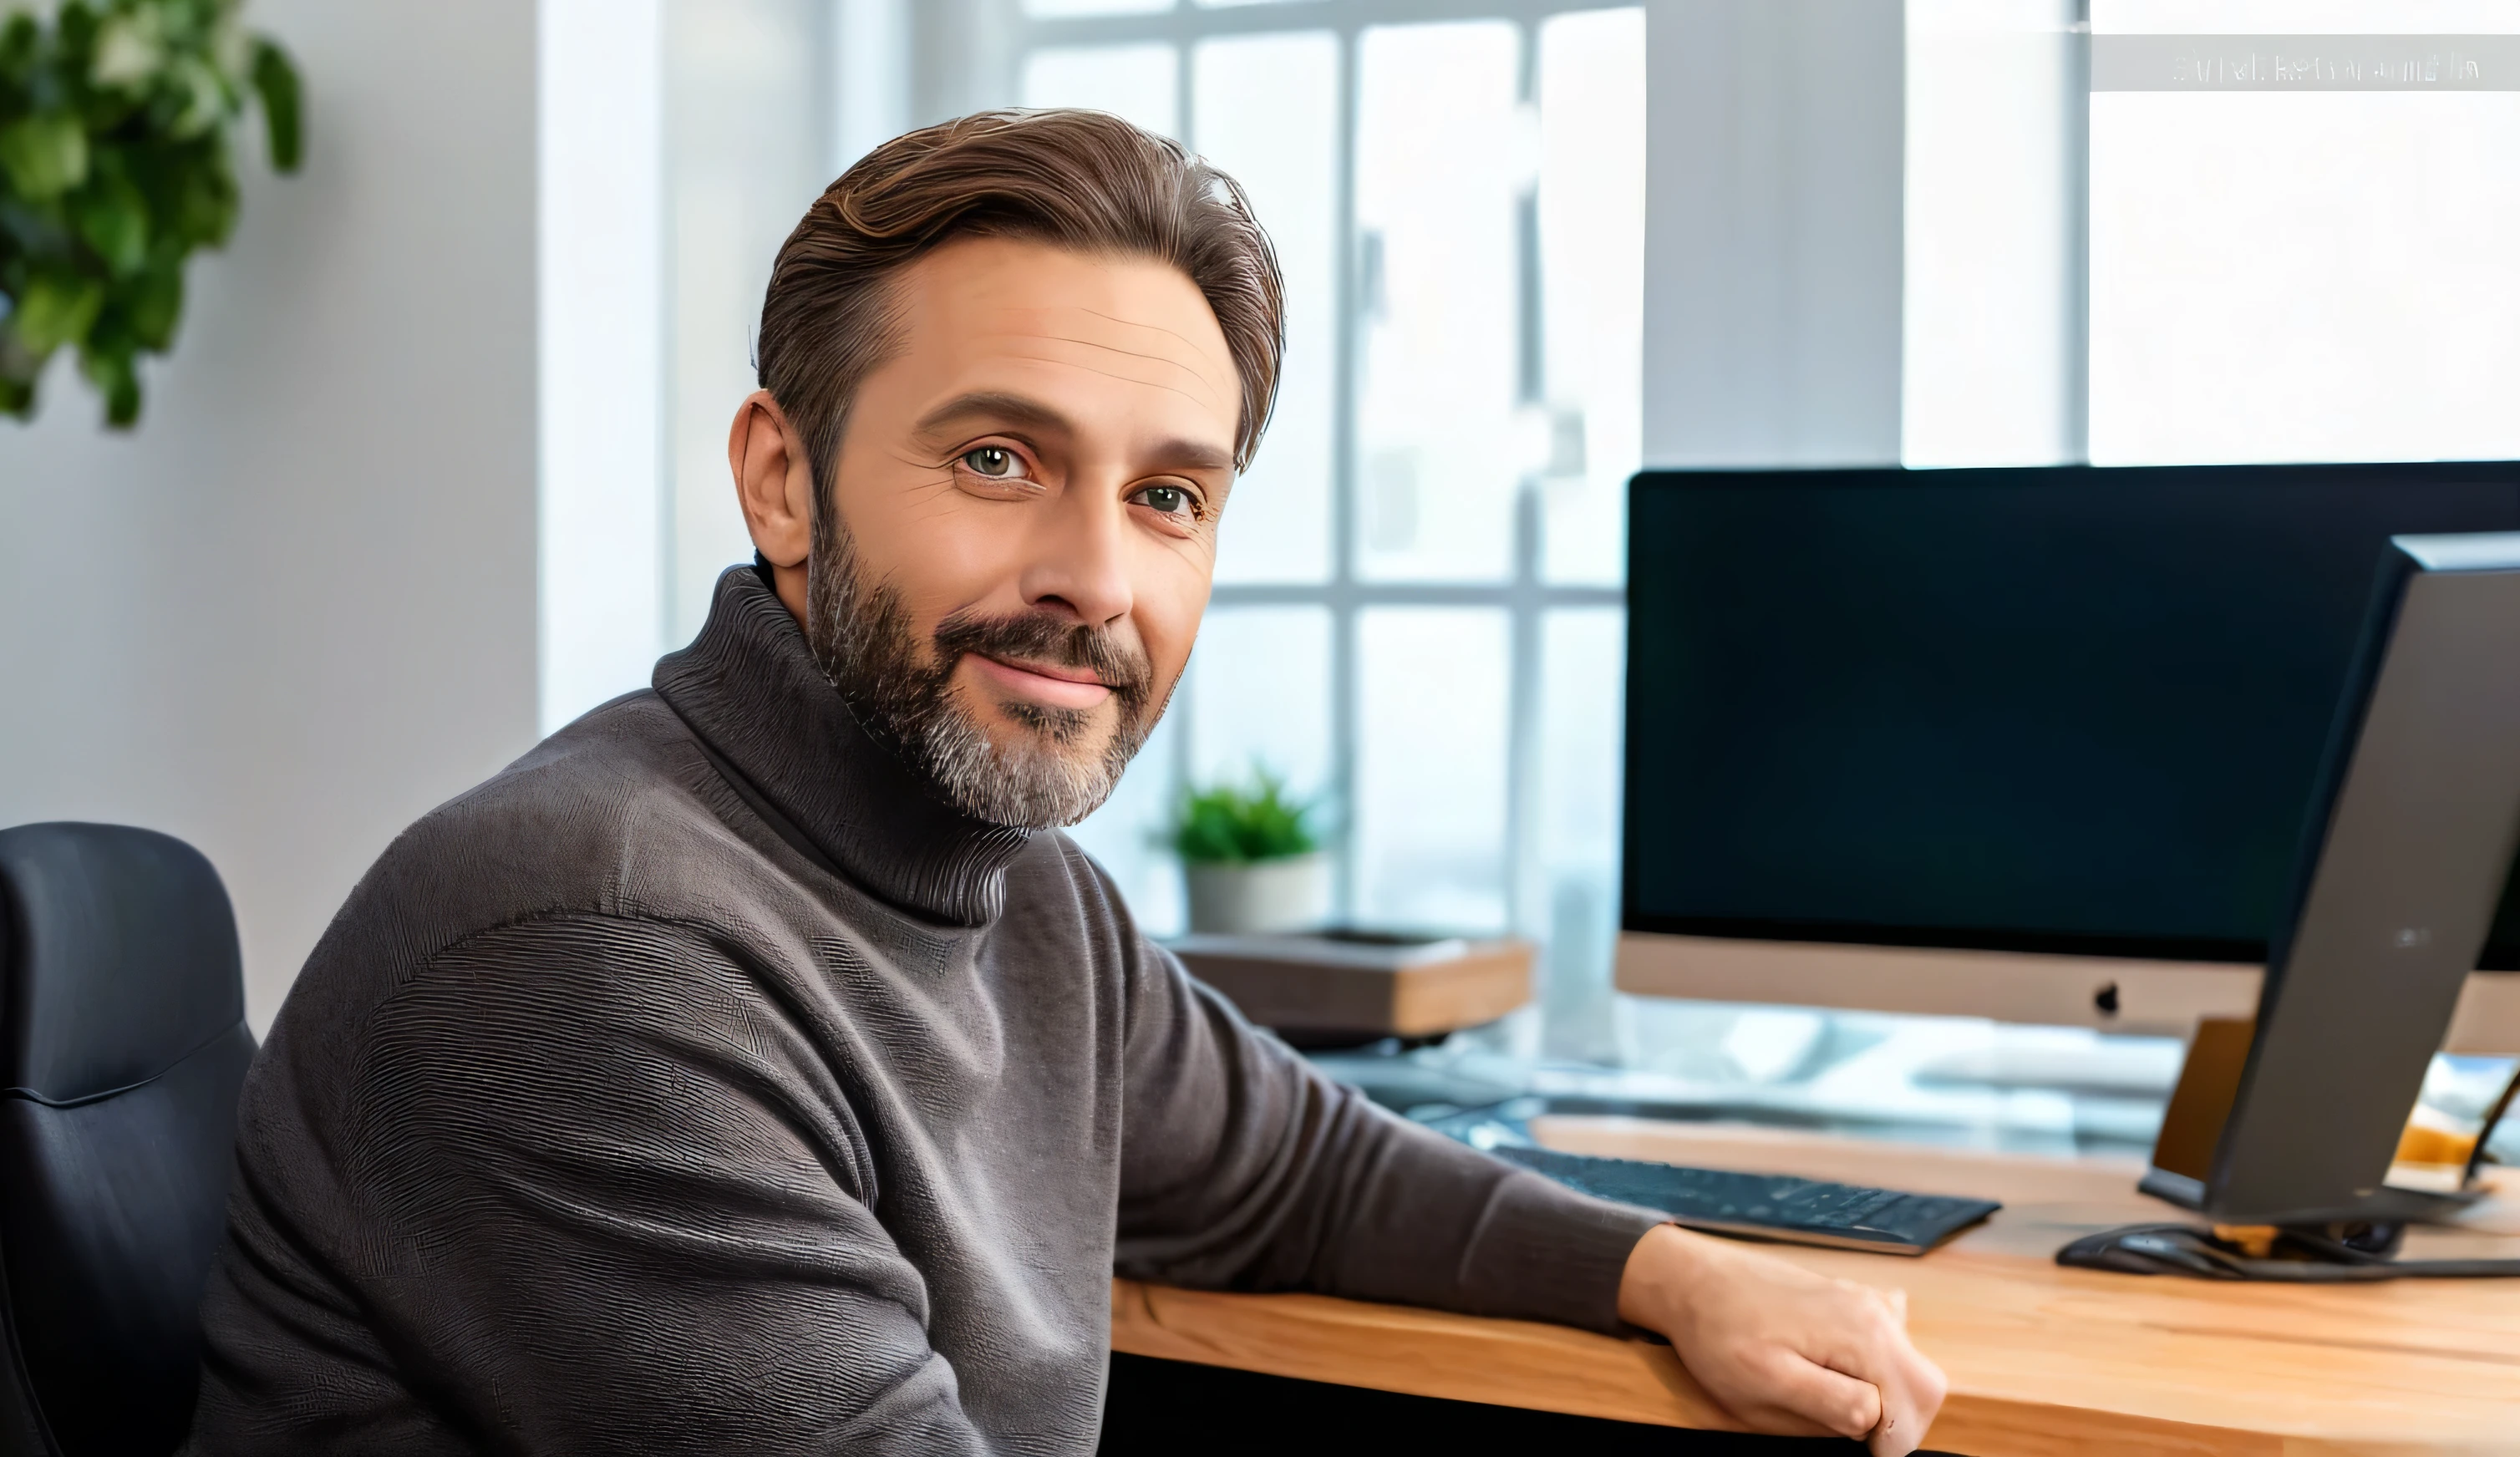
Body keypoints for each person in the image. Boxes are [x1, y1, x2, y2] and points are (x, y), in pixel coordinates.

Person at [184, 110, 1944, 1455]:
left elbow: (1303, 1171)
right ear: (783, 483)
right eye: (1000, 454)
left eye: (1168, 495)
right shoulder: (594, 936)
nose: (1094, 576)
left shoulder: (1011, 885)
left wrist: (1672, 1269)